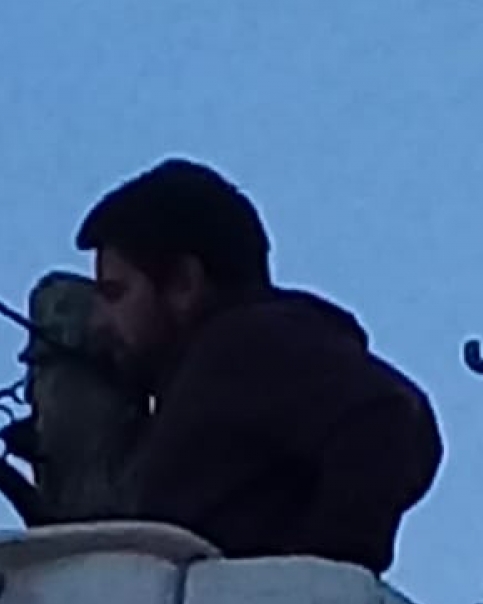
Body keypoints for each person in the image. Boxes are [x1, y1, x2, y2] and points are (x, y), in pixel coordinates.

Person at [64, 158, 442, 574]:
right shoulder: (219, 369)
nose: (99, 321)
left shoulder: (243, 347)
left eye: (116, 293)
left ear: (183, 284)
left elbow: (387, 414)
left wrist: (321, 579)